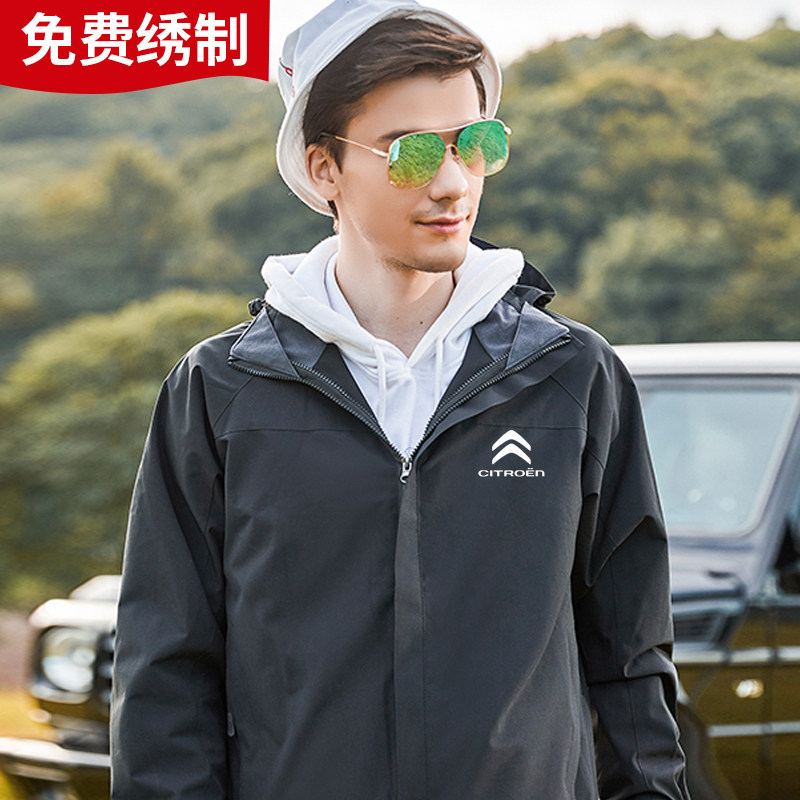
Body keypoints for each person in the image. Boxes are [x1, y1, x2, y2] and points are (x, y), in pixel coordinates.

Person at [110, 1, 690, 798]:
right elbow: (164, 678)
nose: (453, 183)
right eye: (411, 151)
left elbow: (631, 662)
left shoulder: (572, 375)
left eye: (476, 144)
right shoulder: (220, 391)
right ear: (323, 168)